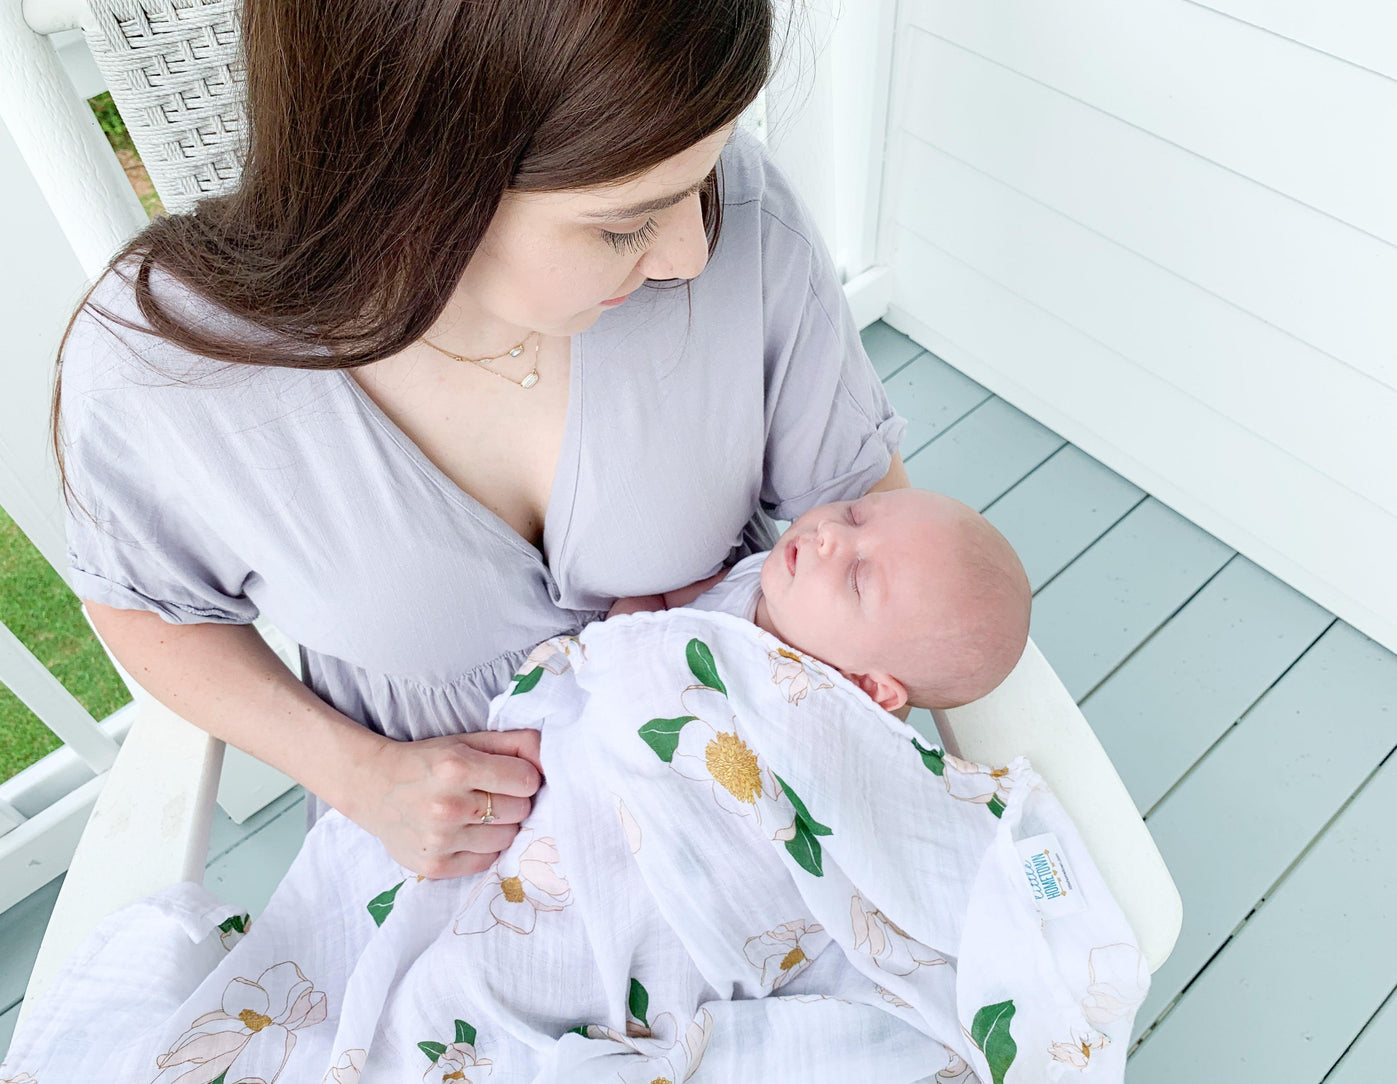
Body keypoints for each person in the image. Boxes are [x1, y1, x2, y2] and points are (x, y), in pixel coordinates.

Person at [54, 0, 910, 885]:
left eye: (696, 183)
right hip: (456, 897)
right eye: (623, 225)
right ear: (408, 167)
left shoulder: (742, 212)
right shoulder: (162, 370)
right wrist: (358, 775)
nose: (691, 256)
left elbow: (873, 510)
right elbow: (147, 606)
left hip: (744, 824)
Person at [612, 488, 1032, 709]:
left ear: (866, 684)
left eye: (857, 576)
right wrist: (622, 626)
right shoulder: (758, 579)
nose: (830, 533)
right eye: (855, 514)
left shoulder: (800, 714)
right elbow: (667, 601)